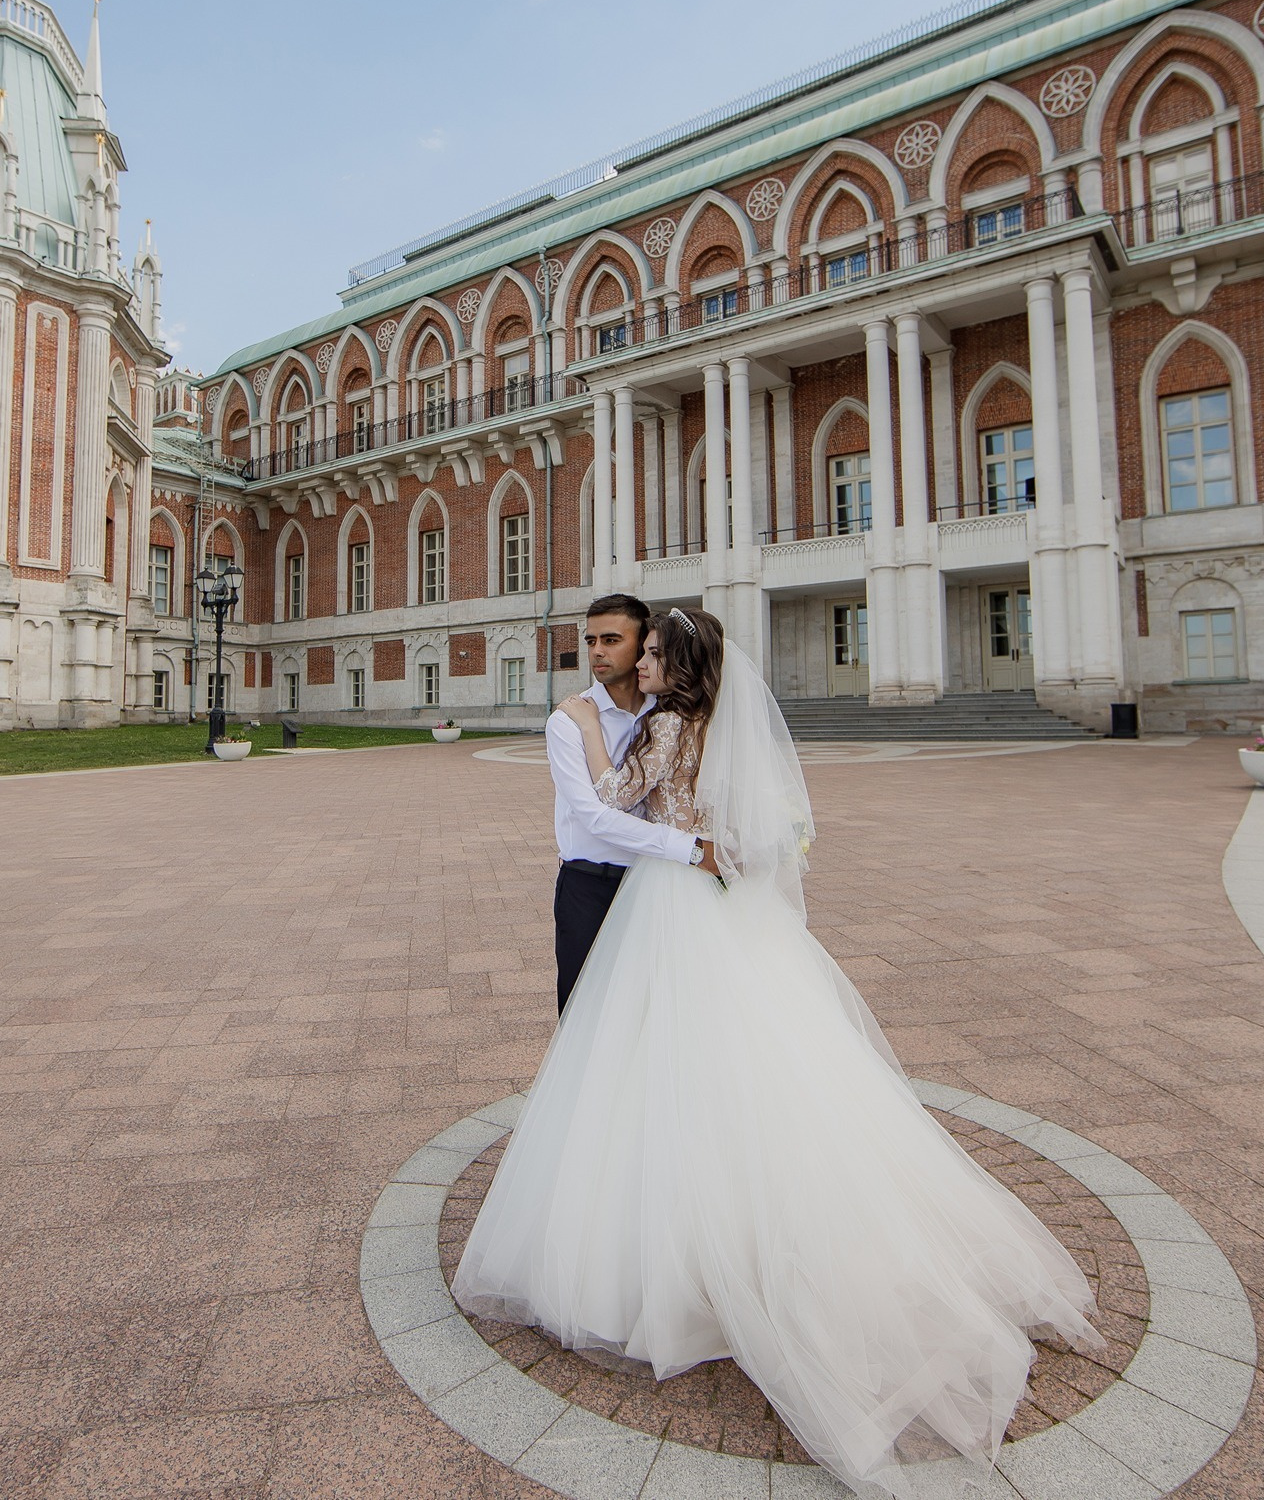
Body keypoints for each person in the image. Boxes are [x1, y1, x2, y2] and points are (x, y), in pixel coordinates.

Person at [457, 607, 1100, 1497]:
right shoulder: (719, 722)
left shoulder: (667, 722)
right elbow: (757, 825)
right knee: (750, 1065)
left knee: (646, 1061)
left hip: (669, 904)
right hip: (722, 909)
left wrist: (579, 732)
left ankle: (677, 1247)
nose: (636, 664)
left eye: (647, 652)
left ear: (671, 664)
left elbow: (609, 801)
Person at [543, 593, 717, 1013]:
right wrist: (691, 849)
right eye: (590, 641)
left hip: (656, 882)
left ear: (643, 646)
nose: (597, 651)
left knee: (656, 1012)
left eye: (611, 639)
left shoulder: (674, 712)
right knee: (584, 1010)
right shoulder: (569, 720)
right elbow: (595, 817)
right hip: (590, 884)